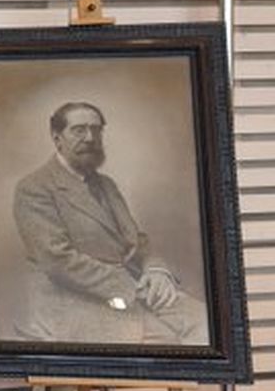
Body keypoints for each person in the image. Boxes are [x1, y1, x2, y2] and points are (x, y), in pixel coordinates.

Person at [12, 101, 207, 345]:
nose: (90, 138)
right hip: (75, 300)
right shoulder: (34, 188)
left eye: (96, 129)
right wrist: (133, 288)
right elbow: (57, 260)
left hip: (134, 290)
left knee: (203, 322)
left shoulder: (106, 184)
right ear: (57, 137)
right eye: (79, 130)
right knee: (166, 343)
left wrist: (156, 271)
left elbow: (137, 240)